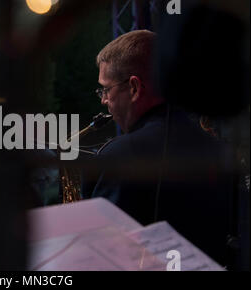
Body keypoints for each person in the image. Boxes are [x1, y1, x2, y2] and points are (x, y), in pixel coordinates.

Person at [87, 30, 233, 267]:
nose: (104, 100)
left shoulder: (118, 156)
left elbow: (102, 257)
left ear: (134, 88)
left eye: (106, 89)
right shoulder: (220, 151)